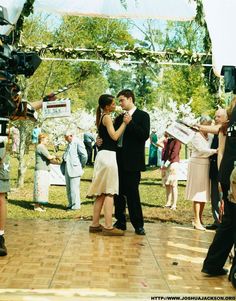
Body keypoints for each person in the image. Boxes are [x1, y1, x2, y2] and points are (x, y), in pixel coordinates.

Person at [87, 94, 131, 235]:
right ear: (106, 106)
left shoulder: (101, 117)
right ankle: (108, 226)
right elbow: (114, 136)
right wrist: (125, 123)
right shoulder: (106, 117)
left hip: (102, 156)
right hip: (108, 157)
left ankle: (94, 224)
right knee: (110, 192)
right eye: (113, 104)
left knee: (101, 193)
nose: (115, 105)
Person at [202, 97, 236, 277]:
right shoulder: (228, 124)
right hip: (232, 175)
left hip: (228, 173)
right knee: (230, 221)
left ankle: (212, 264)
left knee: (229, 223)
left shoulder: (229, 123)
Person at [113, 89, 150, 235]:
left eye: (122, 100)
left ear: (130, 99)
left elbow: (144, 135)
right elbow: (113, 136)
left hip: (133, 162)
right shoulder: (118, 118)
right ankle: (120, 221)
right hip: (118, 161)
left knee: (133, 194)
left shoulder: (142, 116)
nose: (120, 103)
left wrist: (131, 123)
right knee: (118, 193)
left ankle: (138, 225)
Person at [185, 116, 217, 231]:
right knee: (197, 194)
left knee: (203, 194)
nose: (208, 127)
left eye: (209, 125)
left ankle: (199, 218)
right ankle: (196, 219)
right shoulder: (196, 136)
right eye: (206, 125)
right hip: (197, 165)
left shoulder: (210, 136)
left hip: (206, 165)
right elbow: (202, 150)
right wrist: (215, 151)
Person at [199, 108, 228, 230]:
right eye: (215, 117)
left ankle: (224, 222)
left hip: (224, 169)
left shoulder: (225, 131)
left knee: (224, 197)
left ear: (226, 118)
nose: (215, 119)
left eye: (218, 117)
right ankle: (217, 221)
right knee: (214, 196)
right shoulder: (214, 132)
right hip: (213, 169)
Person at [62, 129, 87, 210]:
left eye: (66, 137)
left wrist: (80, 165)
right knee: (69, 188)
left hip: (75, 168)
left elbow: (84, 155)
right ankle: (70, 204)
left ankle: (75, 206)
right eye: (65, 138)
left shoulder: (78, 142)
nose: (65, 139)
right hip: (67, 167)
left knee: (74, 188)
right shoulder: (69, 143)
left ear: (71, 136)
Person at [33, 133, 57, 211]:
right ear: (42, 139)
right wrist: (55, 156)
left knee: (42, 187)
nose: (48, 141)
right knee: (40, 187)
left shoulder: (42, 147)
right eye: (47, 139)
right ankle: (36, 206)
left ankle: (40, 204)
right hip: (41, 170)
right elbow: (49, 157)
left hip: (44, 169)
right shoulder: (40, 147)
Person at [161, 136, 181, 210]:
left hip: (173, 163)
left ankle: (174, 204)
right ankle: (168, 202)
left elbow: (174, 153)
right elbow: (165, 151)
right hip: (166, 163)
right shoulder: (169, 140)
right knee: (167, 184)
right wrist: (163, 163)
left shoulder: (177, 140)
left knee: (173, 184)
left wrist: (166, 164)